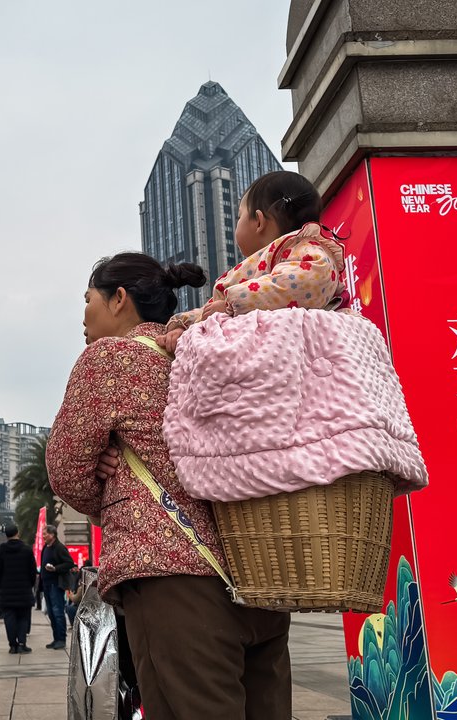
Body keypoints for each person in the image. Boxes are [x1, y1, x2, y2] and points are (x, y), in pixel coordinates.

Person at [47, 253, 294, 719]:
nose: (83, 314)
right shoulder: (206, 351)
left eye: (88, 299)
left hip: (173, 581)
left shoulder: (110, 359)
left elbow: (66, 471)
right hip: (260, 572)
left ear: (119, 299)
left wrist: (109, 480)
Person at [158, 170, 344, 355]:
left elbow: (309, 281)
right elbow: (213, 308)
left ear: (259, 222)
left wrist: (233, 304)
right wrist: (183, 323)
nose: (237, 223)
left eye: (240, 216)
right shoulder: (260, 270)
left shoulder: (304, 249)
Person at [0, 524, 36, 654]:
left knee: (9, 618)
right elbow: (32, 571)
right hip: (23, 590)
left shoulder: (1, 550)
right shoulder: (27, 550)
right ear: (18, 533)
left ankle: (13, 645)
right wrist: (29, 584)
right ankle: (22, 643)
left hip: (6, 591)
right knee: (23, 617)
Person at [40, 525, 74, 650]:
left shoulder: (59, 547)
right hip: (47, 584)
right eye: (43, 534)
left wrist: (55, 568)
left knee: (58, 612)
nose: (43, 536)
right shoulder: (45, 547)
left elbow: (69, 563)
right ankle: (56, 638)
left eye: (45, 534)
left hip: (56, 584)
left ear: (52, 535)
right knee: (50, 613)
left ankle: (61, 639)